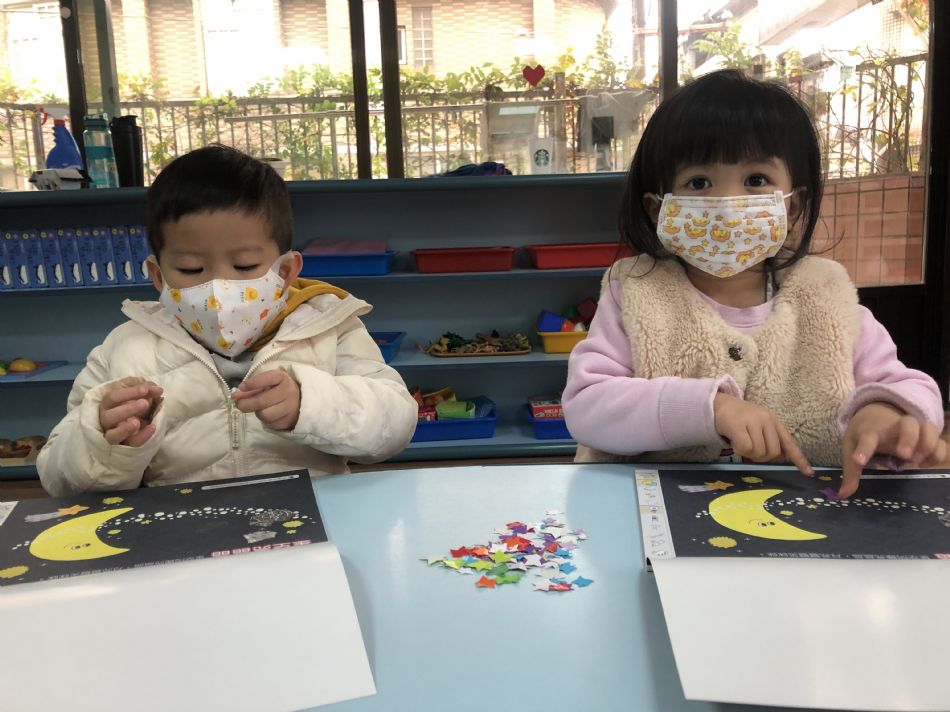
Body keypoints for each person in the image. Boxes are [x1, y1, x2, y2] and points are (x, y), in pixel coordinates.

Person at [563, 70, 944, 498]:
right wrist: (710, 408)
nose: (727, 204)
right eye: (699, 182)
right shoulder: (637, 292)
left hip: (805, 522)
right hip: (647, 516)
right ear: (659, 210)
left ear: (792, 204)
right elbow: (587, 406)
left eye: (756, 180)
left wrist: (884, 412)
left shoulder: (827, 299)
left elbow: (910, 385)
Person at [38, 145, 418, 496]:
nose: (218, 289)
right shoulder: (126, 347)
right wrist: (104, 441)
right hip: (183, 531)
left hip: (313, 524)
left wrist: (311, 403)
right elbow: (57, 477)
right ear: (158, 276)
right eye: (191, 268)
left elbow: (395, 425)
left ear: (286, 271)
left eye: (245, 266)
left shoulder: (328, 328)